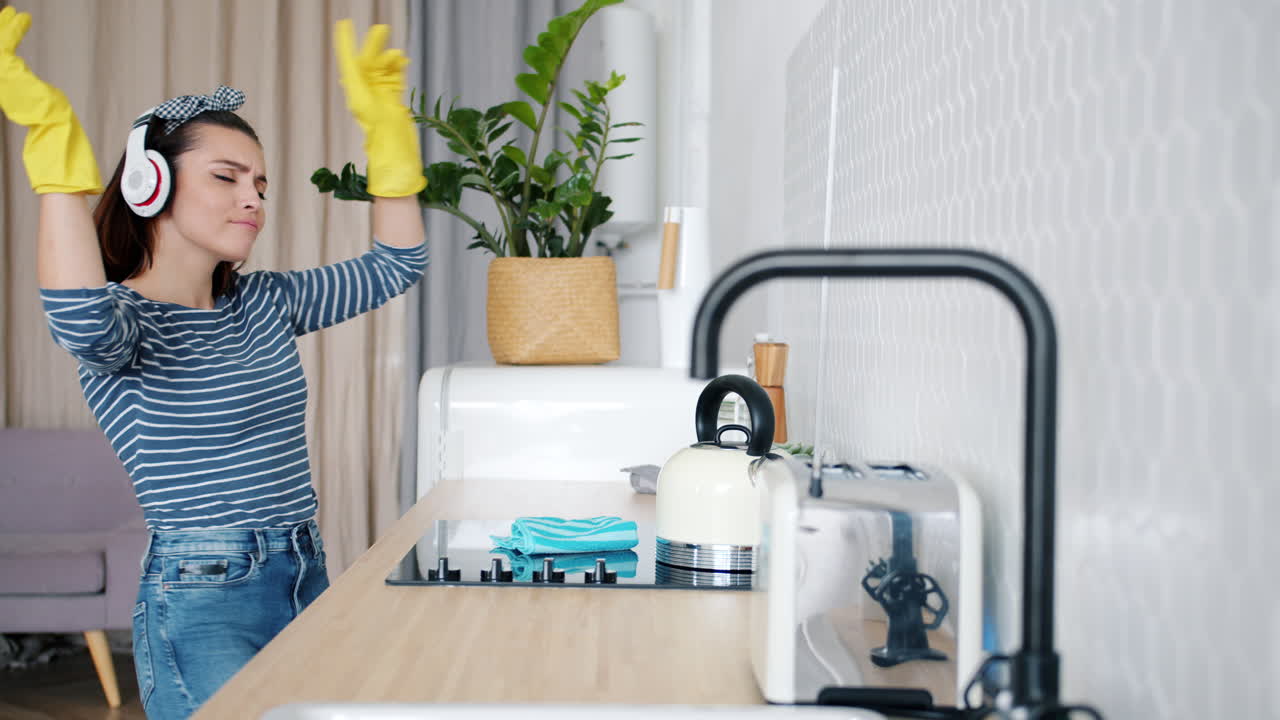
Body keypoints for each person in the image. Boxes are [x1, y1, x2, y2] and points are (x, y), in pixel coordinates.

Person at [0, 7, 427, 718]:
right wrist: (55, 153)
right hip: (201, 592)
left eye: (260, 184)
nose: (253, 199)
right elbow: (76, 313)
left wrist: (389, 135)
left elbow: (397, 265)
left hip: (304, 566)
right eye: (227, 177)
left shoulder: (264, 302)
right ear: (149, 185)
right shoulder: (122, 325)